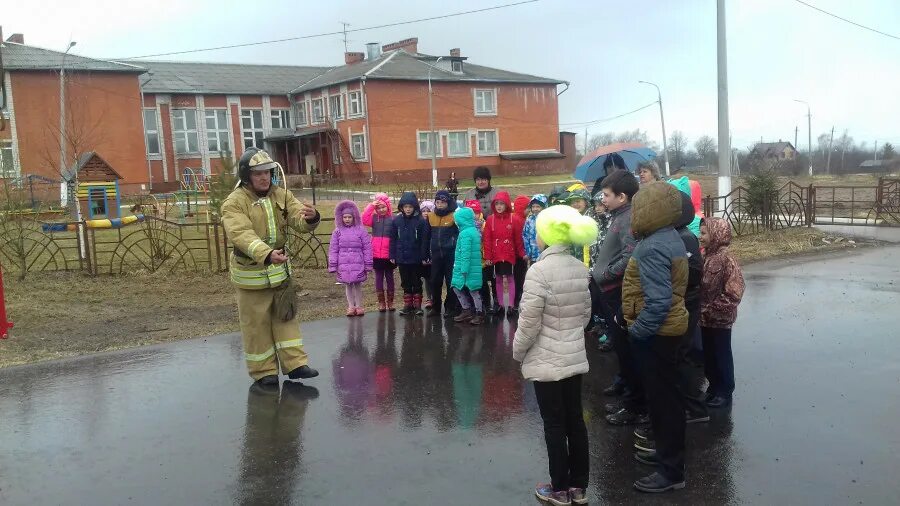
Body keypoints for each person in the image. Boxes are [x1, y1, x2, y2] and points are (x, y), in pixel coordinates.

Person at [513, 204, 597, 506]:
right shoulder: (579, 268)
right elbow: (586, 315)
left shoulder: (538, 272)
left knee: (554, 424)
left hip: (546, 361)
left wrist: (518, 350)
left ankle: (558, 488)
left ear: (545, 237)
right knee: (575, 420)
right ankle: (579, 487)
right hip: (574, 358)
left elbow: (528, 321)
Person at [221, 147, 320, 386]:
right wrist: (265, 254)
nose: (264, 177)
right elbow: (240, 234)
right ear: (247, 176)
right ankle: (263, 371)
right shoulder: (234, 202)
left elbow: (297, 217)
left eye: (267, 172)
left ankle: (295, 365)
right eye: (258, 173)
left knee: (286, 318)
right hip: (251, 276)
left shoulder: (281, 194)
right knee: (256, 325)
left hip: (279, 273)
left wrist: (311, 217)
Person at [621, 181, 690, 493]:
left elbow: (659, 301)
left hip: (658, 334)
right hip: (670, 330)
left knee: (664, 404)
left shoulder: (652, 246)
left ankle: (671, 472)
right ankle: (667, 457)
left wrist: (638, 332)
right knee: (669, 399)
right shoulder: (670, 236)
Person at [590, 170, 644, 425]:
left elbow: (631, 255)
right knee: (622, 350)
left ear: (622, 197)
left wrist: (608, 274)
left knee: (627, 350)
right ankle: (627, 392)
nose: (603, 198)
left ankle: (634, 406)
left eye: (607, 194)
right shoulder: (618, 216)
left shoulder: (628, 219)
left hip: (618, 291)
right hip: (610, 290)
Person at [699, 217, 745, 409]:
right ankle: (714, 386)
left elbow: (735, 292)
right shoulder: (706, 256)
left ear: (716, 234)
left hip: (720, 319)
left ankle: (725, 391)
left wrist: (712, 309)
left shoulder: (727, 259)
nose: (700, 237)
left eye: (704, 233)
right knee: (708, 354)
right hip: (704, 319)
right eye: (700, 233)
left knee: (721, 354)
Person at [328, 200, 373, 317]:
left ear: (354, 217)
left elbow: (367, 248)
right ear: (341, 218)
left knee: (357, 285)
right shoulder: (337, 232)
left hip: (358, 263)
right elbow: (333, 248)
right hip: (344, 264)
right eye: (345, 217)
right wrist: (333, 264)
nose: (347, 219)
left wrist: (368, 264)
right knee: (348, 285)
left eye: (349, 217)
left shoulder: (361, 231)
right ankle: (350, 306)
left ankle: (358, 306)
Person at [483, 191, 525, 316]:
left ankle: (512, 305)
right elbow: (487, 239)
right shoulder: (490, 220)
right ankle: (500, 305)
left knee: (511, 279)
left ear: (507, 204)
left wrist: (522, 253)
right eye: (497, 204)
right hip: (496, 256)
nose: (499, 206)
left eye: (502, 203)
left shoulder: (514, 219)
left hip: (510, 255)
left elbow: (518, 239)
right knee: (499, 280)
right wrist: (488, 257)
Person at [390, 192, 428, 316]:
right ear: (401, 207)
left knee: (416, 281)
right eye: (405, 207)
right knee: (405, 281)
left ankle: (417, 305)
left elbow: (424, 240)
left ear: (414, 208)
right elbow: (393, 239)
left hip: (416, 258)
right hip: (402, 258)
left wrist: (424, 256)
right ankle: (408, 305)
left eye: (410, 207)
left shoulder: (420, 221)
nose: (408, 209)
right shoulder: (397, 221)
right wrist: (392, 255)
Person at [424, 190, 460, 318]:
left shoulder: (454, 216)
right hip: (436, 255)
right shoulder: (431, 216)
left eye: (443, 202)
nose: (440, 205)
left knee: (451, 281)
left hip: (450, 254)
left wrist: (453, 243)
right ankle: (435, 307)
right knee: (435, 281)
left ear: (448, 203)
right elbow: (426, 237)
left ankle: (450, 307)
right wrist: (425, 253)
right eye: (437, 202)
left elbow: (457, 233)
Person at [450, 206, 485, 326]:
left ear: (461, 220)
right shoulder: (472, 230)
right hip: (471, 267)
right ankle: (468, 310)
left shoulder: (465, 233)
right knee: (460, 287)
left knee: (470, 289)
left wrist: (463, 269)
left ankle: (477, 313)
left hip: (466, 268)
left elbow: (466, 252)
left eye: (457, 220)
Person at [362, 193, 396, 312]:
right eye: (378, 208)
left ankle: (390, 302)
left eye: (383, 207)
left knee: (390, 277)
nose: (381, 210)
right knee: (379, 277)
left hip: (389, 254)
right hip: (376, 253)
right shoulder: (373, 219)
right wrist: (371, 206)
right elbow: (364, 219)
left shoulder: (393, 219)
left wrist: (394, 253)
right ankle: (381, 302)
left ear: (388, 206)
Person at [465, 199, 497, 315]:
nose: (474, 216)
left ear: (479, 213)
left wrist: (488, 256)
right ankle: (476, 304)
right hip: (472, 260)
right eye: (471, 213)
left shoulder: (484, 224)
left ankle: (488, 304)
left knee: (485, 282)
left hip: (484, 259)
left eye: (476, 212)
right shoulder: (464, 227)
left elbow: (488, 241)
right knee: (475, 284)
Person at [512, 194, 531, 309]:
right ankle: (516, 301)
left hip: (517, 253)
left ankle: (515, 300)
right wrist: (522, 253)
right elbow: (519, 239)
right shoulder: (519, 220)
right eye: (527, 208)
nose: (529, 210)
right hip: (519, 255)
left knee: (517, 278)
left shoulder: (519, 218)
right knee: (519, 279)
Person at [419, 199, 436, 309]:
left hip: (434, 255)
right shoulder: (419, 223)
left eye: (428, 210)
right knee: (426, 278)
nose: (426, 213)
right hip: (423, 255)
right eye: (423, 211)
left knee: (434, 278)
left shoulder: (434, 223)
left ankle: (435, 297)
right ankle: (429, 297)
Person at [523, 194, 548, 264]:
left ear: (544, 207)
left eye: (538, 206)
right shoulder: (529, 220)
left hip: (546, 255)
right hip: (533, 255)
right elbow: (525, 236)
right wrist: (528, 252)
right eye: (533, 207)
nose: (535, 209)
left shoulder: (548, 220)